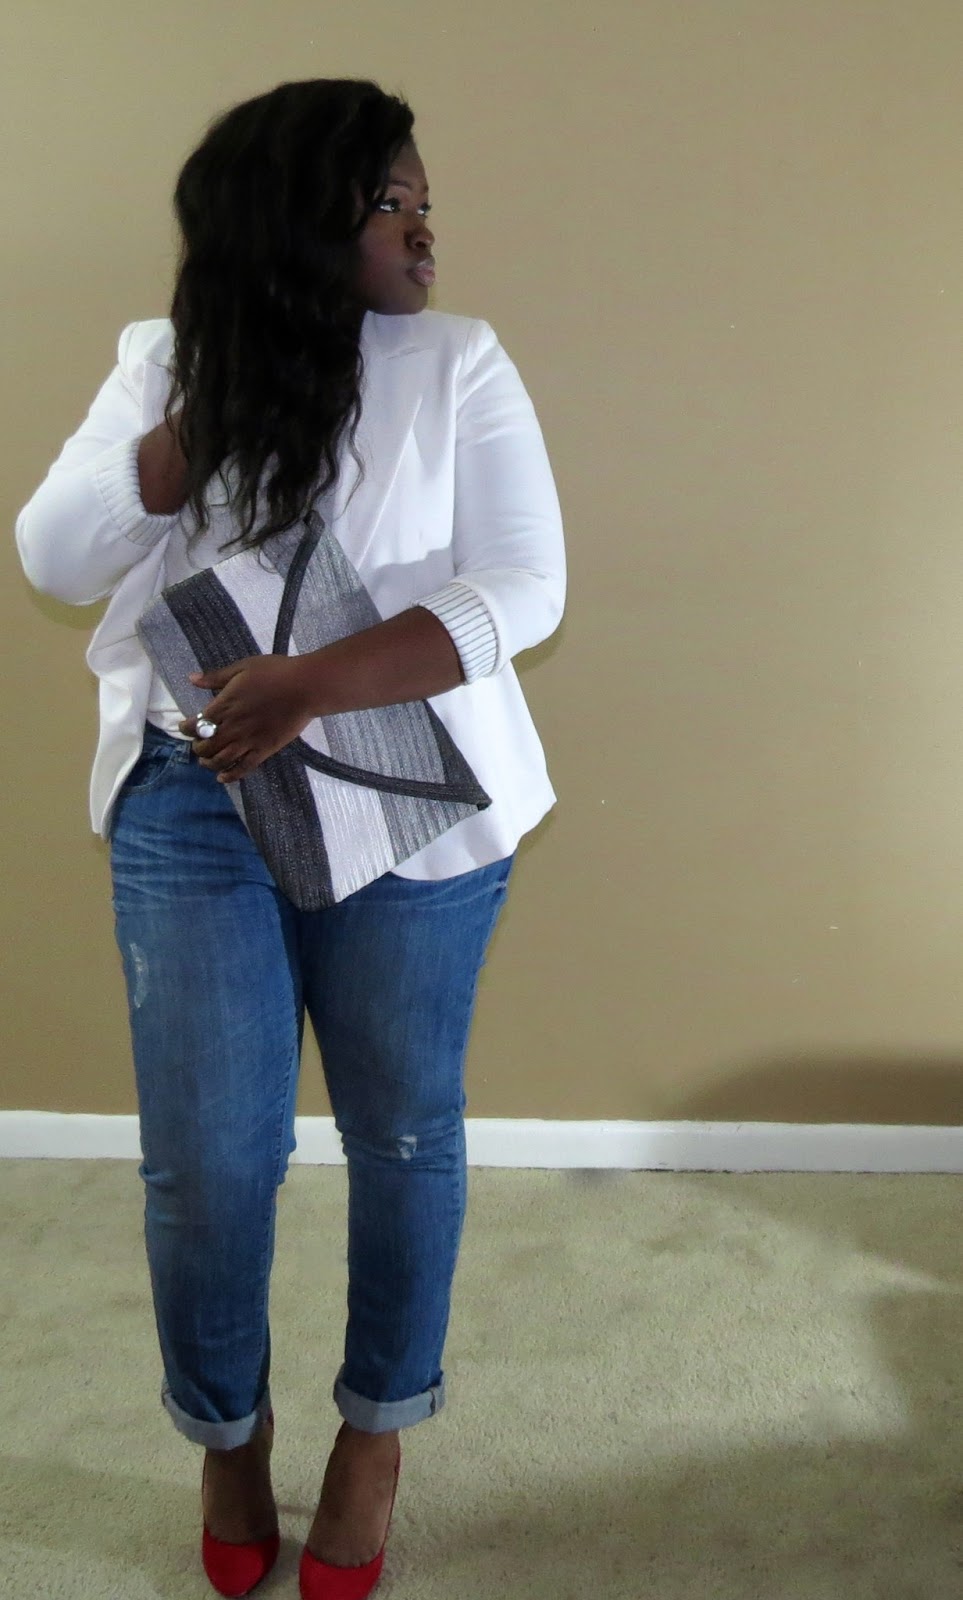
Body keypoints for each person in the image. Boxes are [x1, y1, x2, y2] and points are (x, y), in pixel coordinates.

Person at [15, 78, 565, 1600]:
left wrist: (313, 682)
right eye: (394, 202)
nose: (426, 230)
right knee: (208, 1159)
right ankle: (228, 1432)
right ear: (301, 219)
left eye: (426, 203)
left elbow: (526, 588)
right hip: (197, 799)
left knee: (404, 1131)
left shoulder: (458, 363)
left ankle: (376, 1434)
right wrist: (221, 399)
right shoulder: (161, 361)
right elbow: (54, 555)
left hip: (412, 799)